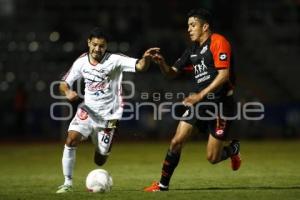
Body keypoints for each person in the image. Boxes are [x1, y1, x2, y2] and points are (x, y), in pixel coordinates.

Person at [144, 8, 241, 192]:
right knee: (176, 141)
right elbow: (171, 74)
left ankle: (233, 150)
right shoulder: (192, 50)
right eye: (188, 25)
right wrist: (161, 62)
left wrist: (200, 95)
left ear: (205, 27)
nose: (189, 29)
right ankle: (163, 185)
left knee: (212, 158)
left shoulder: (218, 42)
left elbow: (223, 75)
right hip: (200, 104)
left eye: (193, 25)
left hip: (221, 105)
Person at [56, 27, 159, 193]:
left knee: (100, 159)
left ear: (106, 46)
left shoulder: (115, 59)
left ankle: (102, 145)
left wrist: (146, 58)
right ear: (89, 43)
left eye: (101, 46)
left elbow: (140, 66)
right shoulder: (81, 62)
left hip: (109, 115)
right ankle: (67, 183)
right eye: (95, 44)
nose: (98, 49)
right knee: (71, 140)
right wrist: (68, 91)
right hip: (87, 111)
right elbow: (63, 83)